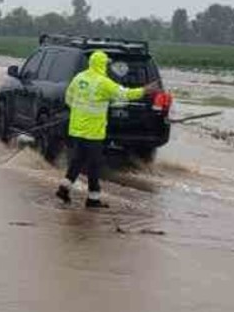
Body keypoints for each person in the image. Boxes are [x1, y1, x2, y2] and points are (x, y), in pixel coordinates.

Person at [56, 50, 159, 208]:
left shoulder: (79, 78)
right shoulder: (103, 82)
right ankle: (93, 199)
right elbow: (124, 94)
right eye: (106, 64)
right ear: (102, 64)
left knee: (77, 161)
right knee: (94, 165)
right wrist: (144, 90)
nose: (107, 66)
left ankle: (64, 188)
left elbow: (69, 99)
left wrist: (81, 111)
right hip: (93, 132)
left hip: (77, 130)